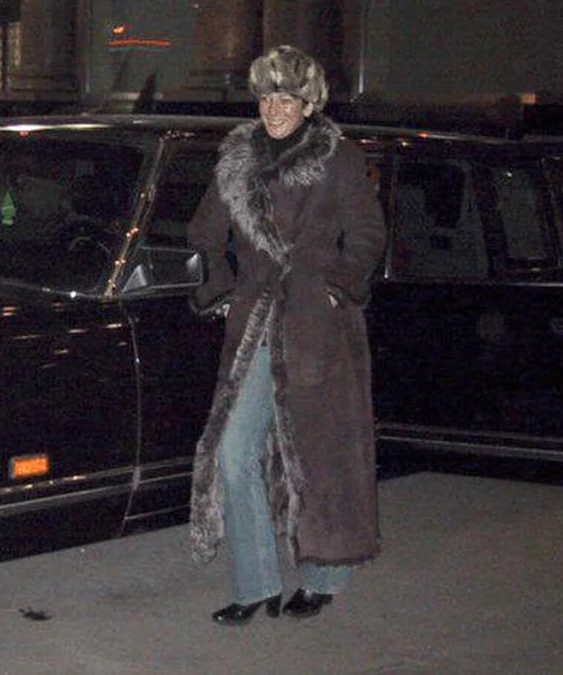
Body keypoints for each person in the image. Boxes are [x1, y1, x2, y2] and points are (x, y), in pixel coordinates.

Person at [186, 45, 386, 625]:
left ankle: (324, 576)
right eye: (267, 97)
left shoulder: (339, 158)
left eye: (287, 99)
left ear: (309, 103)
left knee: (320, 453)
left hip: (316, 325)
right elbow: (205, 233)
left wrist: (338, 287)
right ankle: (257, 586)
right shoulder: (236, 160)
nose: (274, 109)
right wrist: (222, 289)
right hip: (256, 318)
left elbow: (367, 234)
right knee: (234, 451)